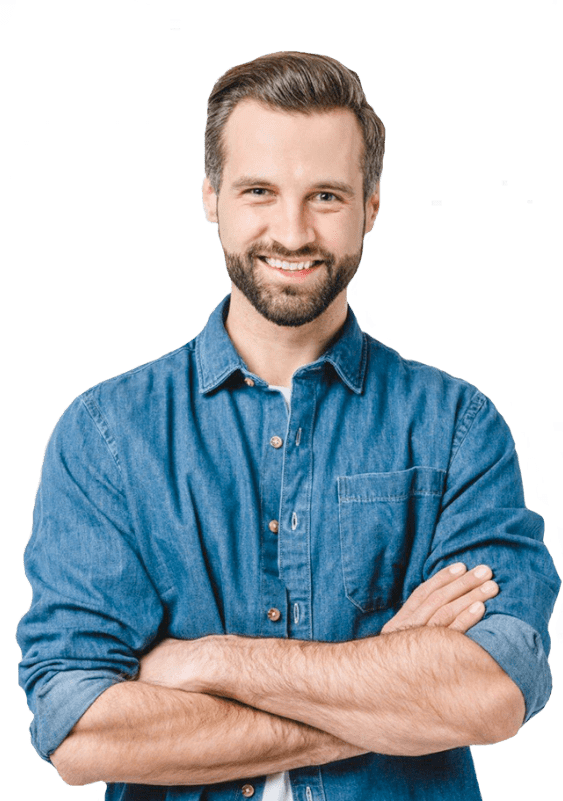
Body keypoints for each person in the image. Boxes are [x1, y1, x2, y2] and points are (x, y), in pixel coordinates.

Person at [17, 51, 560, 801]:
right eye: (259, 191)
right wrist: (392, 683)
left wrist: (211, 660)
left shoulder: (456, 428)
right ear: (212, 197)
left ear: (371, 207)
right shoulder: (106, 437)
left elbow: (492, 692)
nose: (293, 231)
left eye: (326, 196)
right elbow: (81, 732)